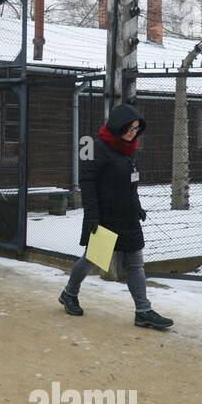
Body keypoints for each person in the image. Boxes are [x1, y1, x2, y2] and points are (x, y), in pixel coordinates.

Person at [59, 103, 174, 330]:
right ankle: (69, 293)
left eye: (136, 129)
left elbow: (131, 183)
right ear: (117, 125)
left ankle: (143, 311)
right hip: (105, 217)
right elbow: (87, 182)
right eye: (129, 129)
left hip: (128, 216)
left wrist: (137, 206)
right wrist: (91, 215)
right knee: (92, 259)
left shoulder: (128, 150)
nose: (133, 133)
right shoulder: (94, 146)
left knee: (136, 264)